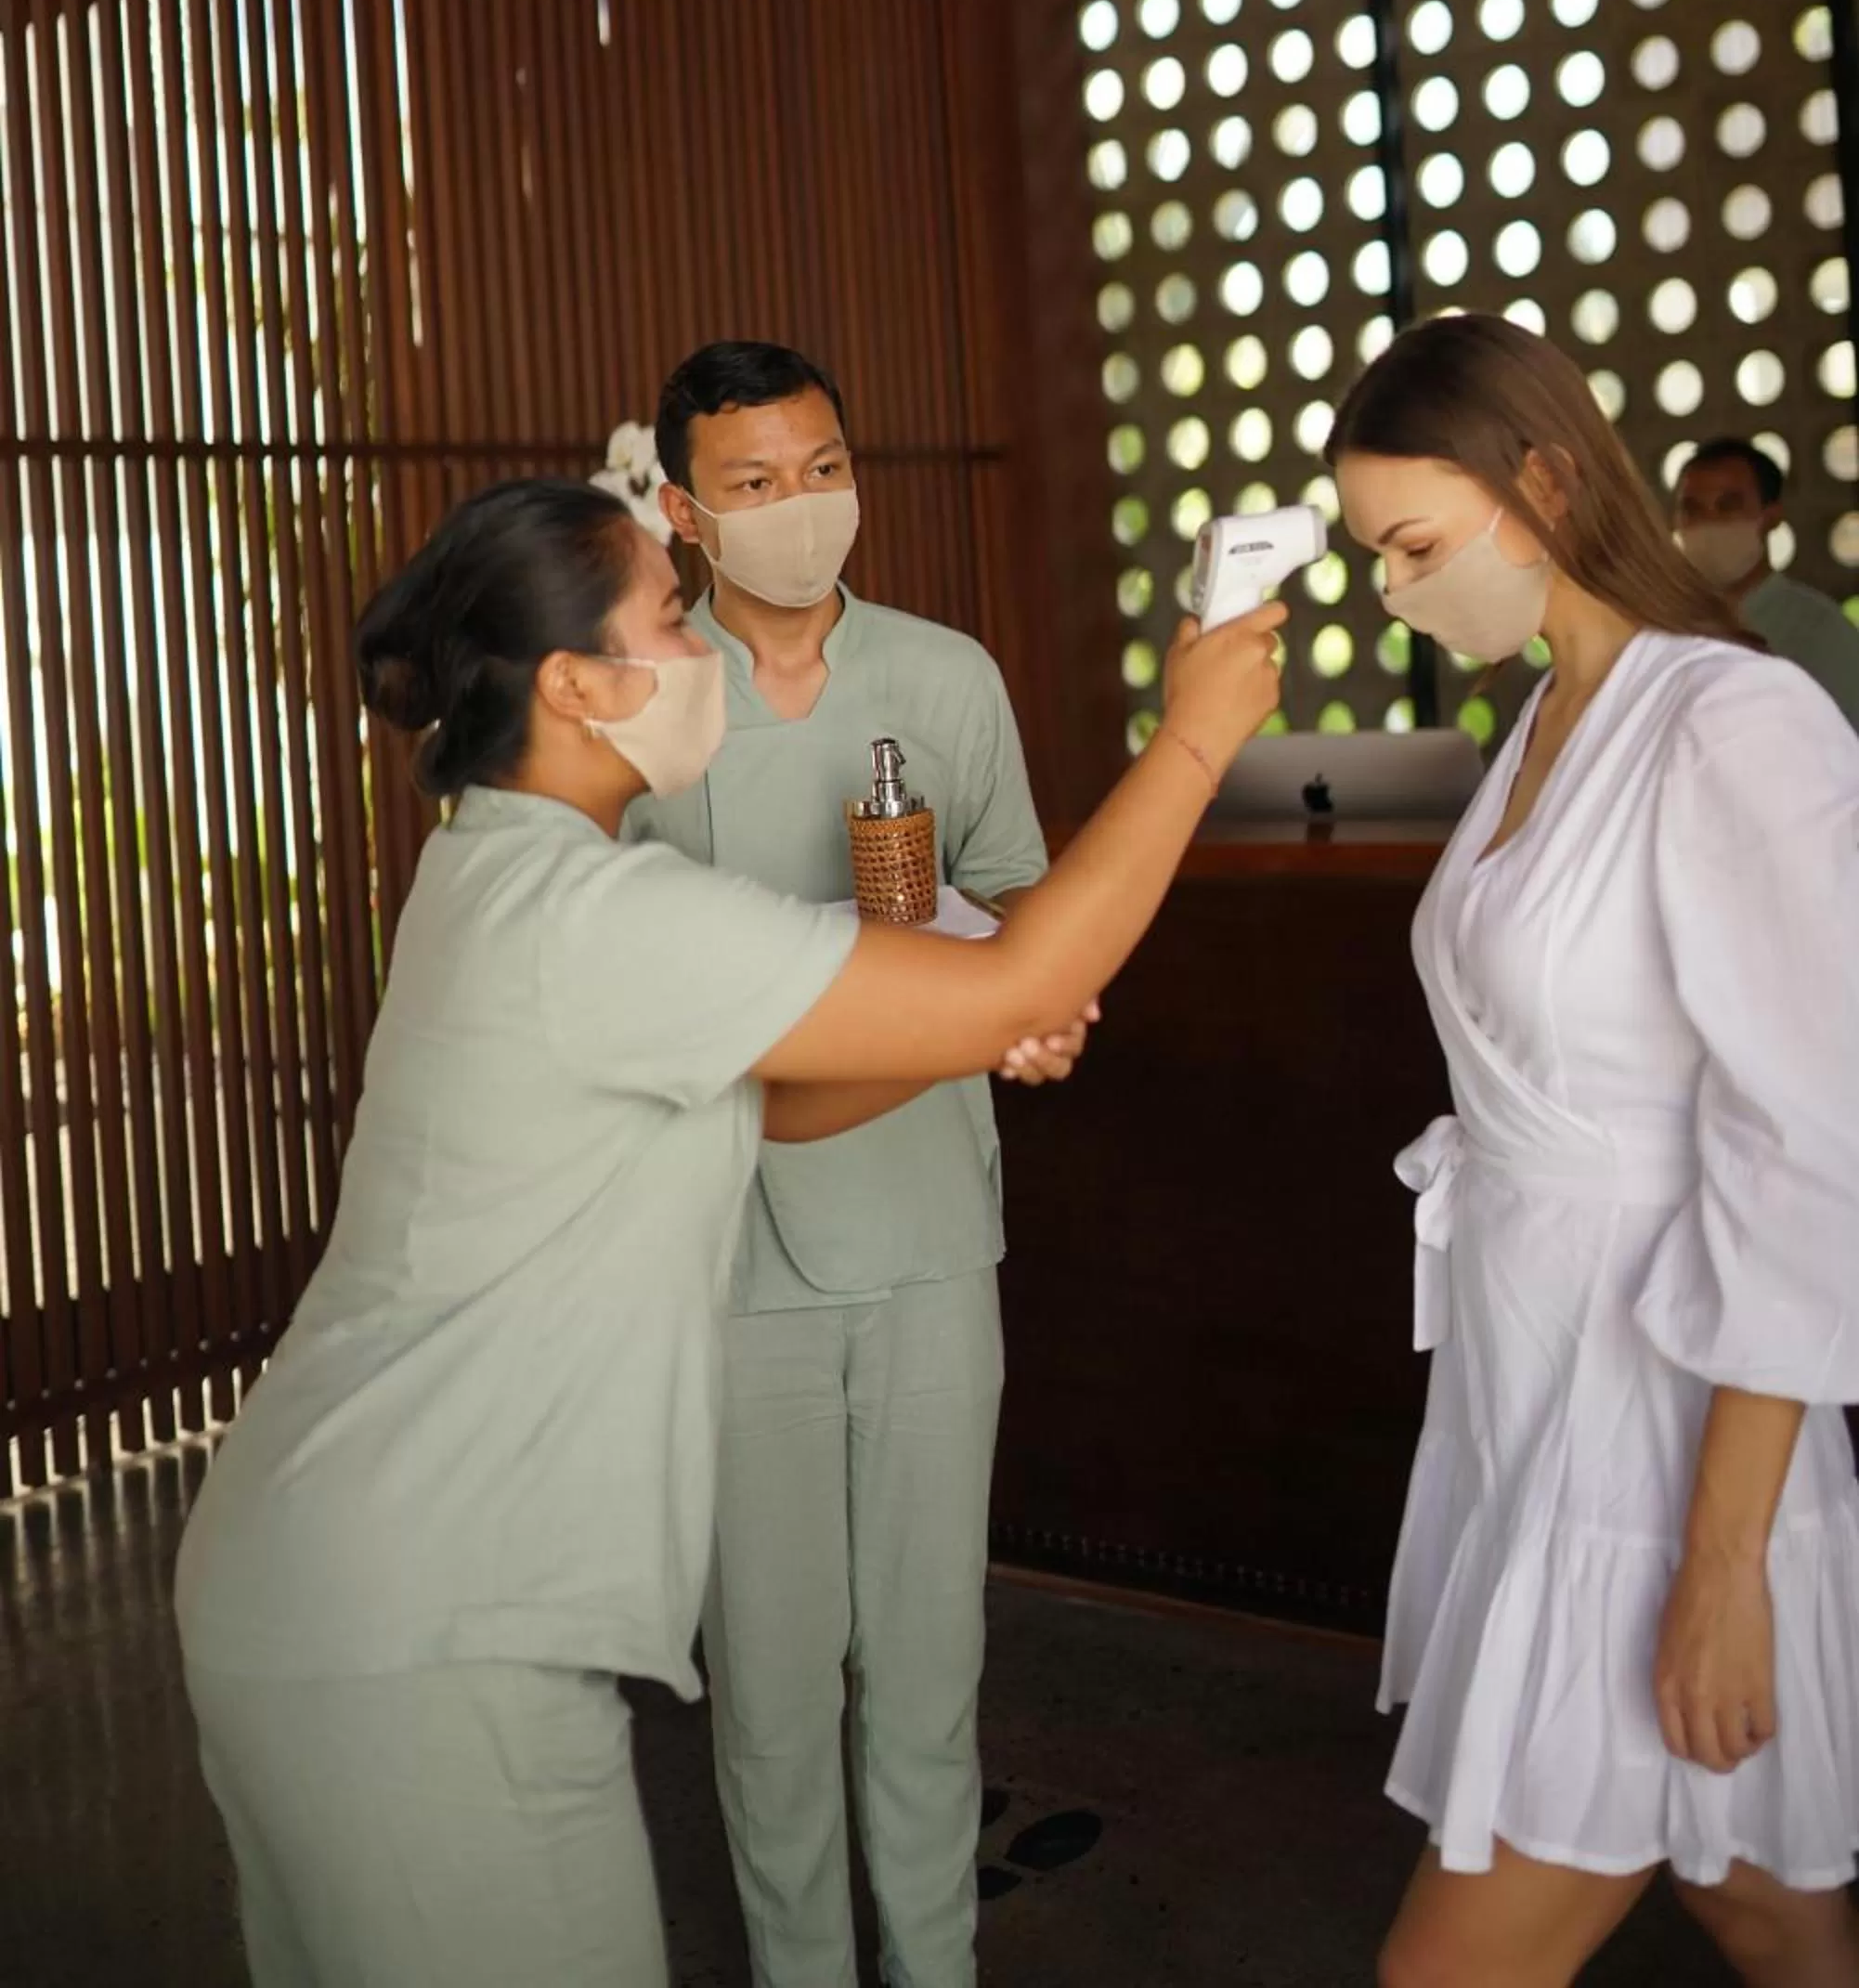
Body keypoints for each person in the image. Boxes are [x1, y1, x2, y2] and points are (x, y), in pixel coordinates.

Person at [173, 475, 1282, 1987]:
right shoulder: (596, 919)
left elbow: (764, 1110)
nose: (702, 647)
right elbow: (1022, 981)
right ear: (574, 684)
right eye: (669, 619)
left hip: (345, 1579)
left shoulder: (508, 873)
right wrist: (1196, 735)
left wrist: (953, 1030)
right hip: (420, 1618)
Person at [1325, 315, 1859, 1988]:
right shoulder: (1547, 719)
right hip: (1530, 1375)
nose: (1397, 594)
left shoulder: (1727, 722)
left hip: (1658, 1424)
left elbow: (1804, 1149)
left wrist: (1719, 1565)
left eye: (1414, 547)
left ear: (1542, 481)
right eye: (1375, 561)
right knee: (1754, 1892)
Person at [618, 338, 1058, 1988]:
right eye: (752, 485)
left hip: (932, 1228)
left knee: (931, 1675)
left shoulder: (945, 680)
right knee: (774, 1697)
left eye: (821, 471)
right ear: (682, 511)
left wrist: (965, 957)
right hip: (729, 1256)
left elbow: (1018, 895)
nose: (800, 509)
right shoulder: (649, 701)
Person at [1672, 434, 1859, 733]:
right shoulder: (1665, 627)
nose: (1708, 522)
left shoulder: (1821, 634)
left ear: (1771, 517)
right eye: (1692, 509)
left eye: (1728, 506)